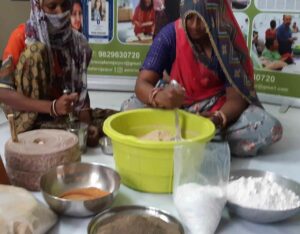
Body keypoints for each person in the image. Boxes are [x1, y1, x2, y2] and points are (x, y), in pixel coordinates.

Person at [121, 0, 283, 157]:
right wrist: (159, 96)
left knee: (268, 127)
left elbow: (237, 98)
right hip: (175, 104)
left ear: (214, 13)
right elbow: (142, 82)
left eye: (203, 18)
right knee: (129, 108)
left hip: (214, 108)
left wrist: (218, 118)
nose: (195, 26)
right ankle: (206, 142)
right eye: (190, 17)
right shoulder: (170, 35)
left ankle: (183, 138)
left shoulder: (225, 38)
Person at [0, 0, 117, 147]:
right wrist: (52, 107)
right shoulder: (21, 37)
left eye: (65, 5)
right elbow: (3, 93)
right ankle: (36, 131)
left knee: (117, 120)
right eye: (52, 6)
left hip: (63, 114)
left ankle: (60, 132)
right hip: (29, 117)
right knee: (35, 51)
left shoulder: (78, 44)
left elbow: (80, 97)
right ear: (38, 7)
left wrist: (86, 127)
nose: (60, 12)